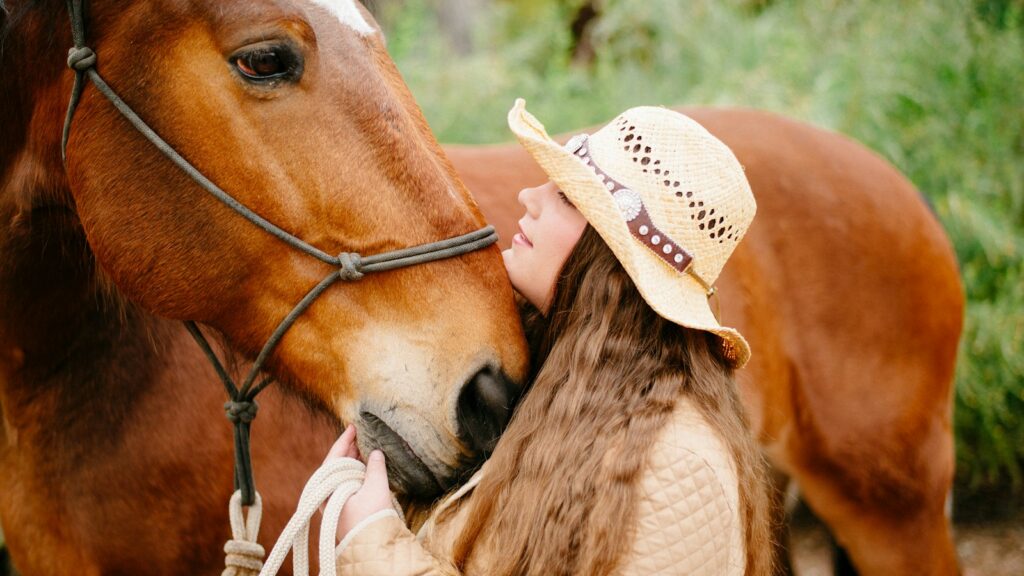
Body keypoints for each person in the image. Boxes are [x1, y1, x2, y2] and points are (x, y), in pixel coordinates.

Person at [326, 99, 774, 575]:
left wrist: (371, 540)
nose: (529, 196)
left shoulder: (679, 469)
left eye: (565, 196)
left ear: (610, 259)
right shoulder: (556, 386)